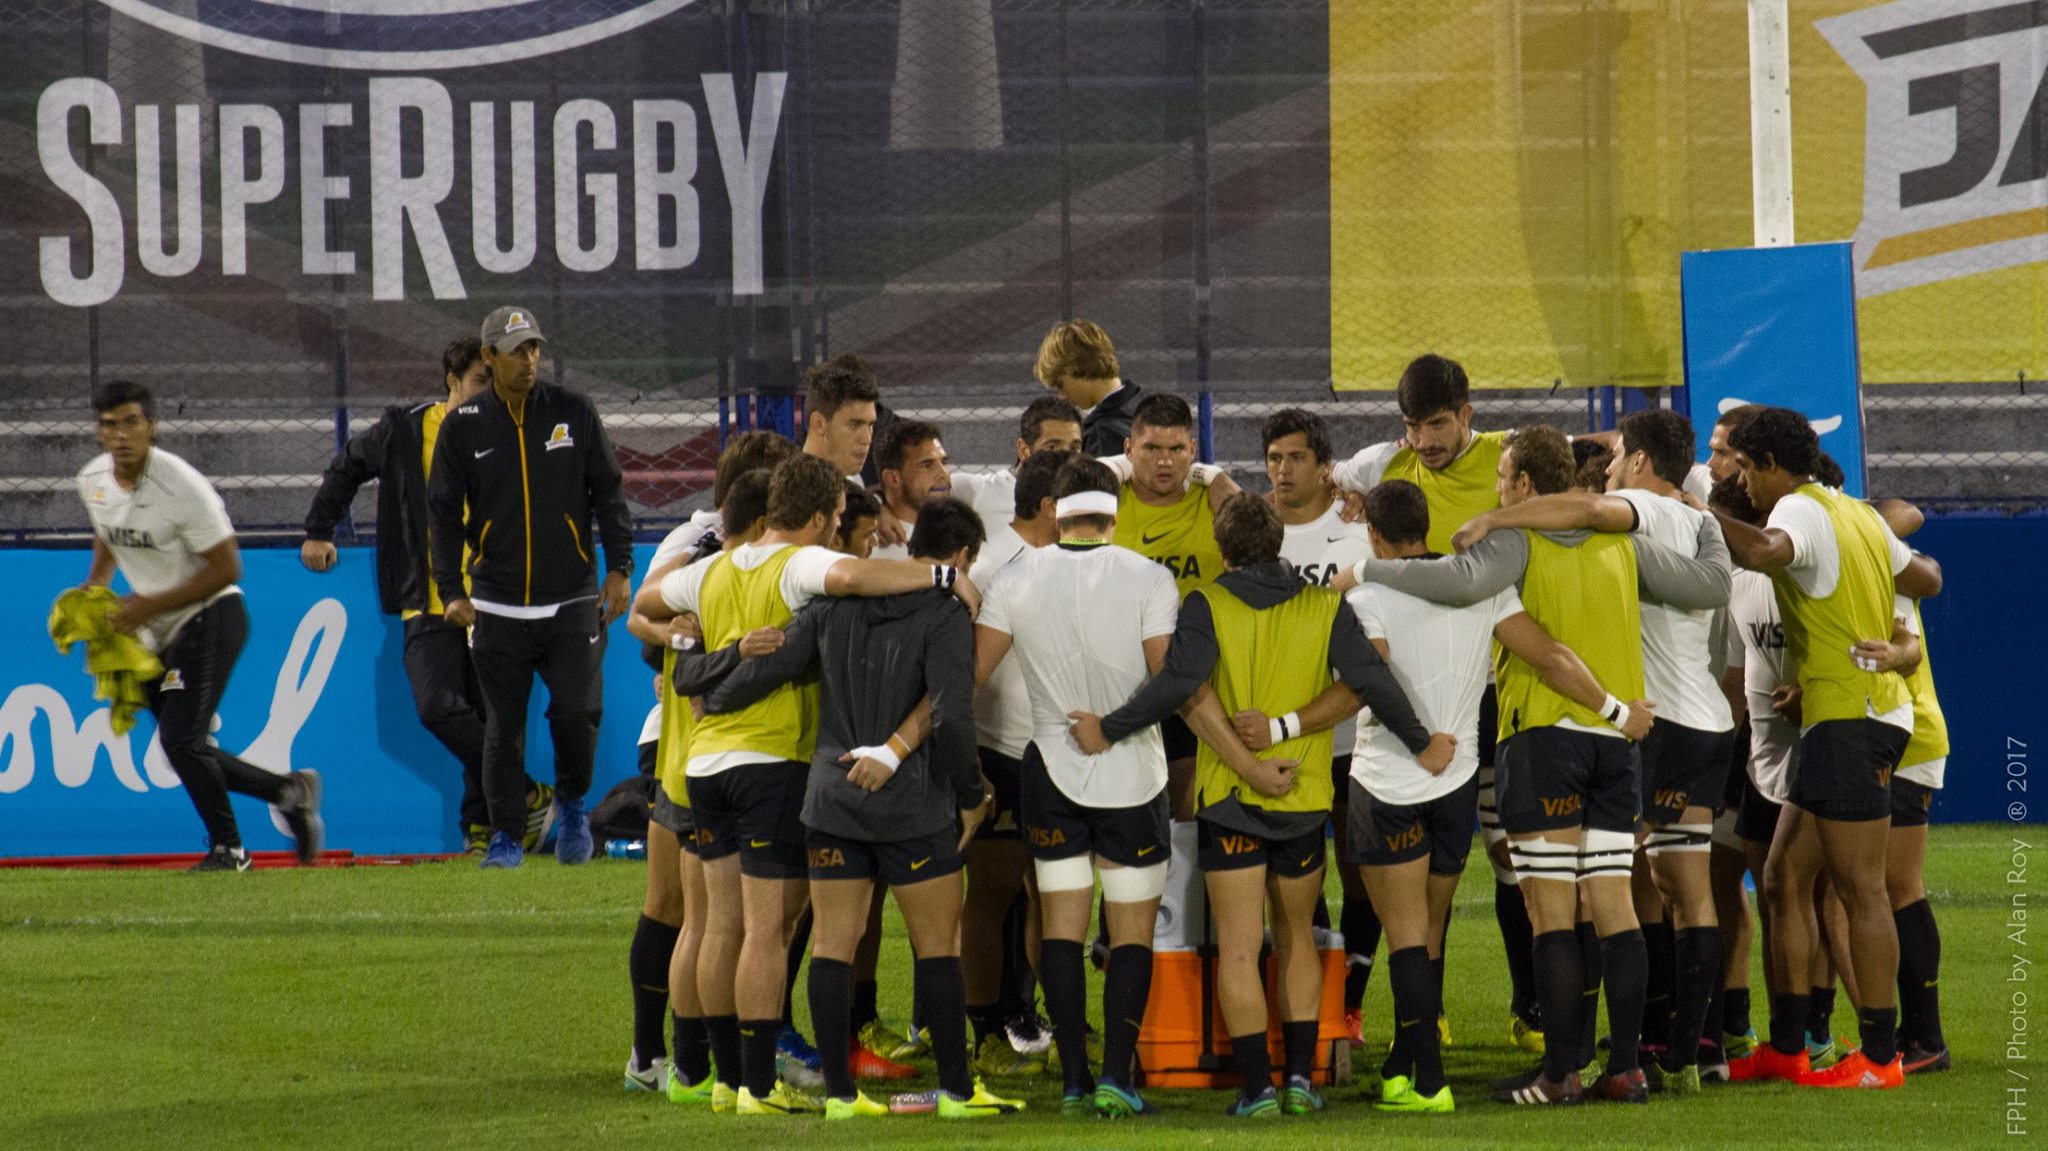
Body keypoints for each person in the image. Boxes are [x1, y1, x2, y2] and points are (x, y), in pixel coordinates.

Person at [1336, 424, 1731, 1105]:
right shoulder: (1625, 541)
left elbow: (1457, 584)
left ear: (1522, 484)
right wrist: (1712, 528)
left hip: (1545, 737)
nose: (1496, 487)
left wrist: (1368, 569)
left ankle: (1559, 1072)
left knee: (1552, 910)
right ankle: (1628, 1065)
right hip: (1618, 737)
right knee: (1614, 906)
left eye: (1503, 477)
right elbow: (1708, 587)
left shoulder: (1516, 539)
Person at [1070, 493, 1450, 1118]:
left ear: (1223, 550)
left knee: (1241, 947)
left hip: (1232, 801)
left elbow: (1176, 684)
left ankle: (1257, 1088)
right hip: (1303, 795)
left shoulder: (1207, 602)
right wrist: (1421, 742)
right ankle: (1300, 1080)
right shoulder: (1325, 604)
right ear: (1277, 544)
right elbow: (1371, 681)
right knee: (1298, 935)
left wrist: (1109, 728)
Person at [631, 452, 980, 1115]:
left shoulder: (710, 567)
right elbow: (850, 573)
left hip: (701, 761)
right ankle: (759, 1085)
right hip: (771, 763)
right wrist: (942, 574)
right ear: (821, 517)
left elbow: (645, 607)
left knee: (710, 925)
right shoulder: (805, 567)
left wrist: (689, 653)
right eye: (842, 518)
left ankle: (710, 1074)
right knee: (766, 931)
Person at [695, 497, 1024, 1120]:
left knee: (832, 948)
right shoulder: (947, 611)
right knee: (937, 948)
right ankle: (955, 1092)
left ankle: (843, 1097)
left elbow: (773, 666)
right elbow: (952, 715)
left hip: (833, 798)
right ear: (961, 558)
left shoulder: (832, 604)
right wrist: (970, 793)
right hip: (914, 805)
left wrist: (712, 696)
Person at [1453, 409, 1739, 1093]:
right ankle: (1673, 1053)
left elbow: (1546, 640)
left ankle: (1570, 1059)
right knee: (1663, 895)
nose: (1607, 475)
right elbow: (1717, 596)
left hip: (1611, 722)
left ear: (1638, 465)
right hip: (1686, 721)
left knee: (1572, 902)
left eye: (1615, 462)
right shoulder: (1693, 526)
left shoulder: (1611, 522)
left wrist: (1495, 524)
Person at [1710, 407, 1941, 1090]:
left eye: (1747, 469)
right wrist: (1882, 624)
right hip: (1845, 716)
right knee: (1782, 877)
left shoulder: (1803, 508)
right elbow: (1925, 576)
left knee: (1861, 888)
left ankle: (1878, 1056)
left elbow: (1764, 552)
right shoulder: (1857, 514)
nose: (1742, 482)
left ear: (1774, 465)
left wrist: (1694, 510)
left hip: (1850, 715)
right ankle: (1788, 1045)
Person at [1330, 354, 1540, 1051]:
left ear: (1469, 414)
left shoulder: (1509, 461)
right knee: (1427, 870)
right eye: (1415, 426)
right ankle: (1433, 1011)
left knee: (1503, 851)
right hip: (1419, 701)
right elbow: (1335, 481)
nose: (1425, 440)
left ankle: (1529, 1005)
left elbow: (1579, 467)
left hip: (1493, 689)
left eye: (1439, 423)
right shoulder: (1383, 467)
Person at [972, 456, 1181, 1118]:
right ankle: (1117, 1073)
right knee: (1130, 933)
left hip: (1050, 772)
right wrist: (1113, 728)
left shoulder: (1015, 577)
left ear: (1054, 509)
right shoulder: (1150, 577)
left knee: (1059, 929)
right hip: (1134, 773)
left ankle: (1072, 1078)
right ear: (1115, 511)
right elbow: (1168, 683)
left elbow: (971, 675)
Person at [300, 337, 551, 855]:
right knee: (437, 706)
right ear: (452, 382)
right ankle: (523, 791)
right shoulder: (406, 429)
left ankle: (483, 830)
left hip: (497, 602)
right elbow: (347, 464)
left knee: (493, 718)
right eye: (481, 383)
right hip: (429, 600)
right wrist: (319, 528)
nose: (490, 394)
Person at [76, 380, 323, 870]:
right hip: (153, 626)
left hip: (210, 613)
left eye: (131, 422)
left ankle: (228, 850)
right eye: (110, 425)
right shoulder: (93, 480)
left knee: (180, 742)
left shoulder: (180, 485)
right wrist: (95, 590)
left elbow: (228, 568)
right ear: (97, 432)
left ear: (152, 427)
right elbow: (107, 532)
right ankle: (286, 791)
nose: (121, 434)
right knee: (189, 747)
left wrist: (146, 606)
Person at [427, 306, 635, 869]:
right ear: (488, 357)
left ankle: (570, 803)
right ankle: (506, 836)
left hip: (571, 599)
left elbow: (608, 493)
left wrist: (620, 567)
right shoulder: (463, 425)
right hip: (494, 603)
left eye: (535, 348)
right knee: (502, 731)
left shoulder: (574, 411)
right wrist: (451, 590)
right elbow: (442, 515)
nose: (530, 359)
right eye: (517, 350)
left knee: (577, 715)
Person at [621, 437, 794, 1100]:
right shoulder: (697, 548)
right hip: (696, 750)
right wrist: (673, 641)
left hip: (697, 756)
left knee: (708, 918)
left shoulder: (732, 561)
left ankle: (696, 1065)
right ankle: (674, 1058)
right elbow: (644, 610)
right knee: (691, 912)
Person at [1261, 407, 1382, 1042]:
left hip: (1351, 734)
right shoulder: (1253, 534)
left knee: (1363, 863)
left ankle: (1352, 1001)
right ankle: (1315, 999)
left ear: (1326, 467)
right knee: (1295, 875)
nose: (1283, 470)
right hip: (1281, 737)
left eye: (1297, 458)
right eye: (1275, 458)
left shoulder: (1356, 534)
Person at [961, 449, 1074, 1078]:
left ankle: (1043, 1018)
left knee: (1047, 894)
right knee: (994, 893)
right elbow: (968, 669)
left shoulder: (1056, 561)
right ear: (1051, 507)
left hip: (1055, 752)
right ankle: (985, 1029)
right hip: (1000, 750)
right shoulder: (993, 566)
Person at [1034, 319, 1142, 457]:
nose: (1061, 396)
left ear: (1075, 368)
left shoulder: (1102, 435)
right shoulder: (1146, 405)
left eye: (1060, 384)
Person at [802, 355, 881, 480]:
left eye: (870, 425)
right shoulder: (789, 494)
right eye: (855, 425)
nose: (867, 440)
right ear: (819, 424)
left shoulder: (853, 480)